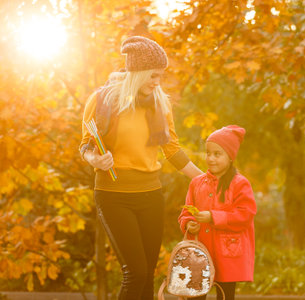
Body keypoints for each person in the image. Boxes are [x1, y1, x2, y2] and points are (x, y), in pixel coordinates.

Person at [79, 36, 203, 300]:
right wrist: (96, 160)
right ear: (137, 72)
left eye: (160, 76)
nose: (157, 82)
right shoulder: (102, 101)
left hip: (150, 196)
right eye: (152, 76)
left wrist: (205, 179)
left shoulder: (160, 103)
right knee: (135, 273)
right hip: (114, 196)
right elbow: (86, 146)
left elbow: (172, 150)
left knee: (147, 275)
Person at [178, 125, 257, 300]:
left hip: (227, 253)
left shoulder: (239, 184)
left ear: (230, 157)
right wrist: (189, 224)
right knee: (196, 295)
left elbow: (245, 214)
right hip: (200, 253)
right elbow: (186, 212)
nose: (211, 158)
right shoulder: (197, 183)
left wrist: (213, 216)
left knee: (225, 295)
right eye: (208, 153)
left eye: (217, 154)